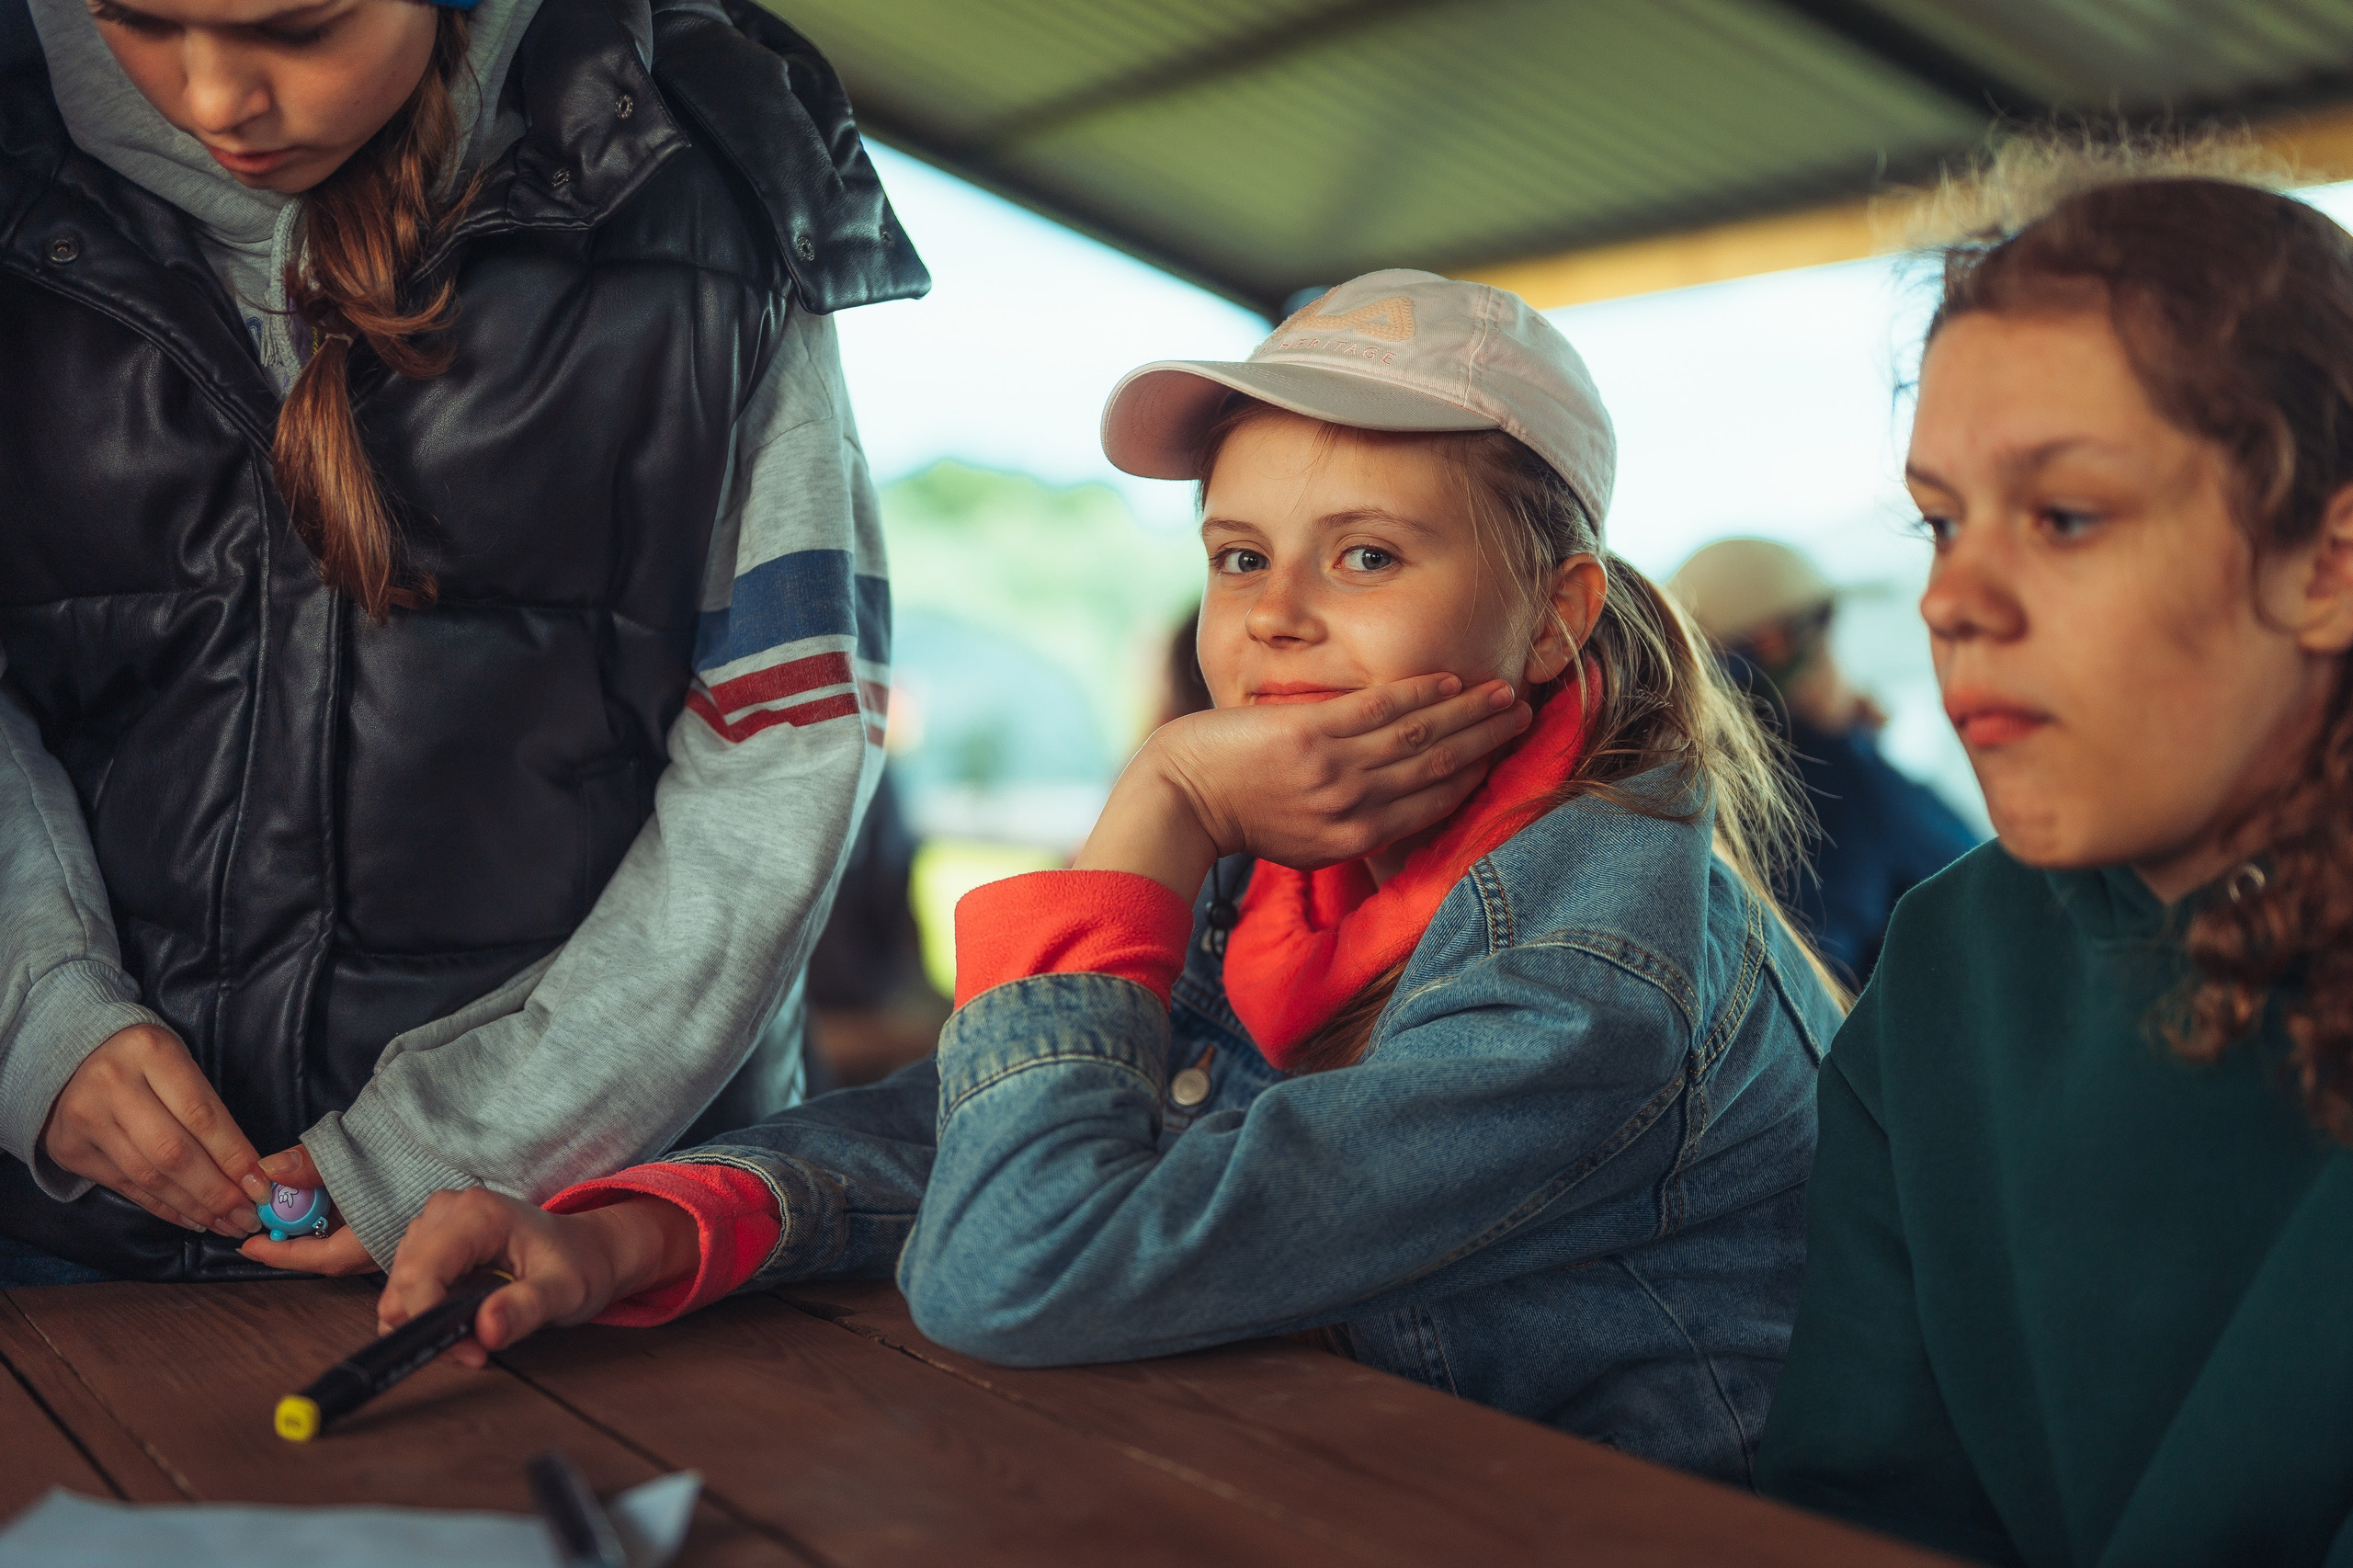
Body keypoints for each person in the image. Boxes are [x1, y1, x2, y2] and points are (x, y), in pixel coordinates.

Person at [373, 269, 1844, 1483]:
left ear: (1554, 616)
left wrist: (1163, 803)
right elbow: (1016, 1126)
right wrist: (633, 1230)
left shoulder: (1590, 980)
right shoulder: (1303, 868)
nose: (1275, 616)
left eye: (1368, 557)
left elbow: (1023, 1261)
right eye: (1240, 555)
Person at [0, 0, 927, 1283]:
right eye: (139, 20)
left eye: (300, 29)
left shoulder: (710, 194)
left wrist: (470, 1138)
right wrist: (34, 1018)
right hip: (67, 1244)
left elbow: (784, 748)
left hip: (587, 1237)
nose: (216, 99)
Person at [1753, 151, 2353, 1565]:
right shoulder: (1950, 961)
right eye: (1940, 520)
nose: (1951, 598)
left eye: (2066, 515)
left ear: (2327, 566)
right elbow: (1856, 1494)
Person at [1668, 538, 1978, 983]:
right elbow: (1819, 967)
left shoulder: (1704, 793)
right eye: (1825, 633)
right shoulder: (1830, 787)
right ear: (1783, 648)